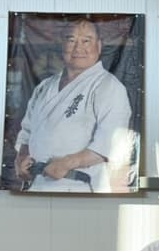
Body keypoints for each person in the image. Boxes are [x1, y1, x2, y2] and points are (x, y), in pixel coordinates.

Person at [14, 17, 135, 193]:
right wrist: (22, 157)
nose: (78, 48)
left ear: (99, 46)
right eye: (71, 40)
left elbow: (110, 142)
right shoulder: (44, 86)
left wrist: (67, 163)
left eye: (86, 41)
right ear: (62, 45)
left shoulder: (109, 86)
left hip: (80, 187)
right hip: (37, 185)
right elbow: (27, 131)